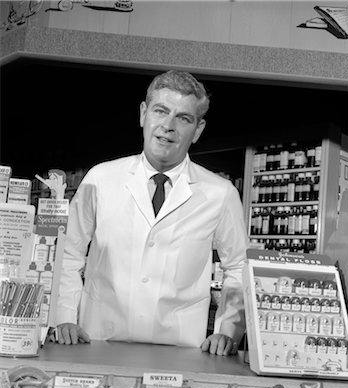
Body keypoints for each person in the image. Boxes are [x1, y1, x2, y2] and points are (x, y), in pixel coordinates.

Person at [55, 70, 249, 355]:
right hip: (97, 341)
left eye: (183, 118)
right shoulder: (101, 179)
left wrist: (227, 331)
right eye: (161, 111)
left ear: (197, 130)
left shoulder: (220, 193)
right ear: (143, 114)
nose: (168, 126)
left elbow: (238, 267)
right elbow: (68, 253)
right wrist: (64, 318)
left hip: (180, 350)